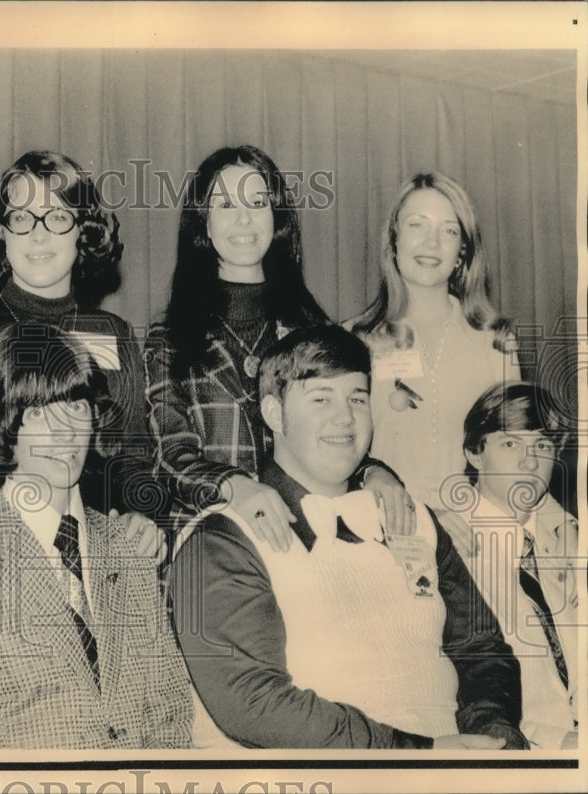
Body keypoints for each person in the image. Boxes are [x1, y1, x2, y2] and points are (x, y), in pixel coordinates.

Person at [169, 325, 527, 749]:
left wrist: (493, 735)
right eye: (321, 399)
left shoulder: (413, 519)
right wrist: (416, 753)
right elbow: (253, 703)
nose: (345, 417)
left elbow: (481, 648)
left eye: (357, 398)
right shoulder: (224, 538)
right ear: (274, 414)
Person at [0, 325, 193, 748]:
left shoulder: (129, 547)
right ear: (6, 425)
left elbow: (172, 716)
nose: (65, 432)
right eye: (40, 412)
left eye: (76, 406)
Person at [145, 145, 413, 545]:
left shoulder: (314, 329)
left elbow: (339, 430)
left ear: (277, 218)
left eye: (258, 202)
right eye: (225, 205)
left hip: (310, 542)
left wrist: (374, 472)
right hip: (213, 544)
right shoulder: (168, 340)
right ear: (203, 223)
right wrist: (235, 485)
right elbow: (170, 458)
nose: (243, 218)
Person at [0, 151, 160, 519]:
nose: (38, 235)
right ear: (0, 231)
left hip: (97, 544)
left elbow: (132, 458)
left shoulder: (113, 332)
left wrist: (141, 517)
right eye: (21, 217)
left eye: (56, 217)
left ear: (83, 230)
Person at [349, 172, 522, 508]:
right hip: (384, 530)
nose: (432, 242)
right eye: (417, 225)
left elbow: (511, 457)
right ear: (394, 240)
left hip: (470, 532)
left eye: (449, 230)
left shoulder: (495, 341)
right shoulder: (355, 339)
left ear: (462, 252)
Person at [443, 382, 578, 749]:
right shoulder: (449, 547)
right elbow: (464, 686)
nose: (530, 461)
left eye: (543, 445)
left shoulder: (567, 537)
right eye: (510, 443)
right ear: (474, 453)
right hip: (520, 749)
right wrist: (560, 741)